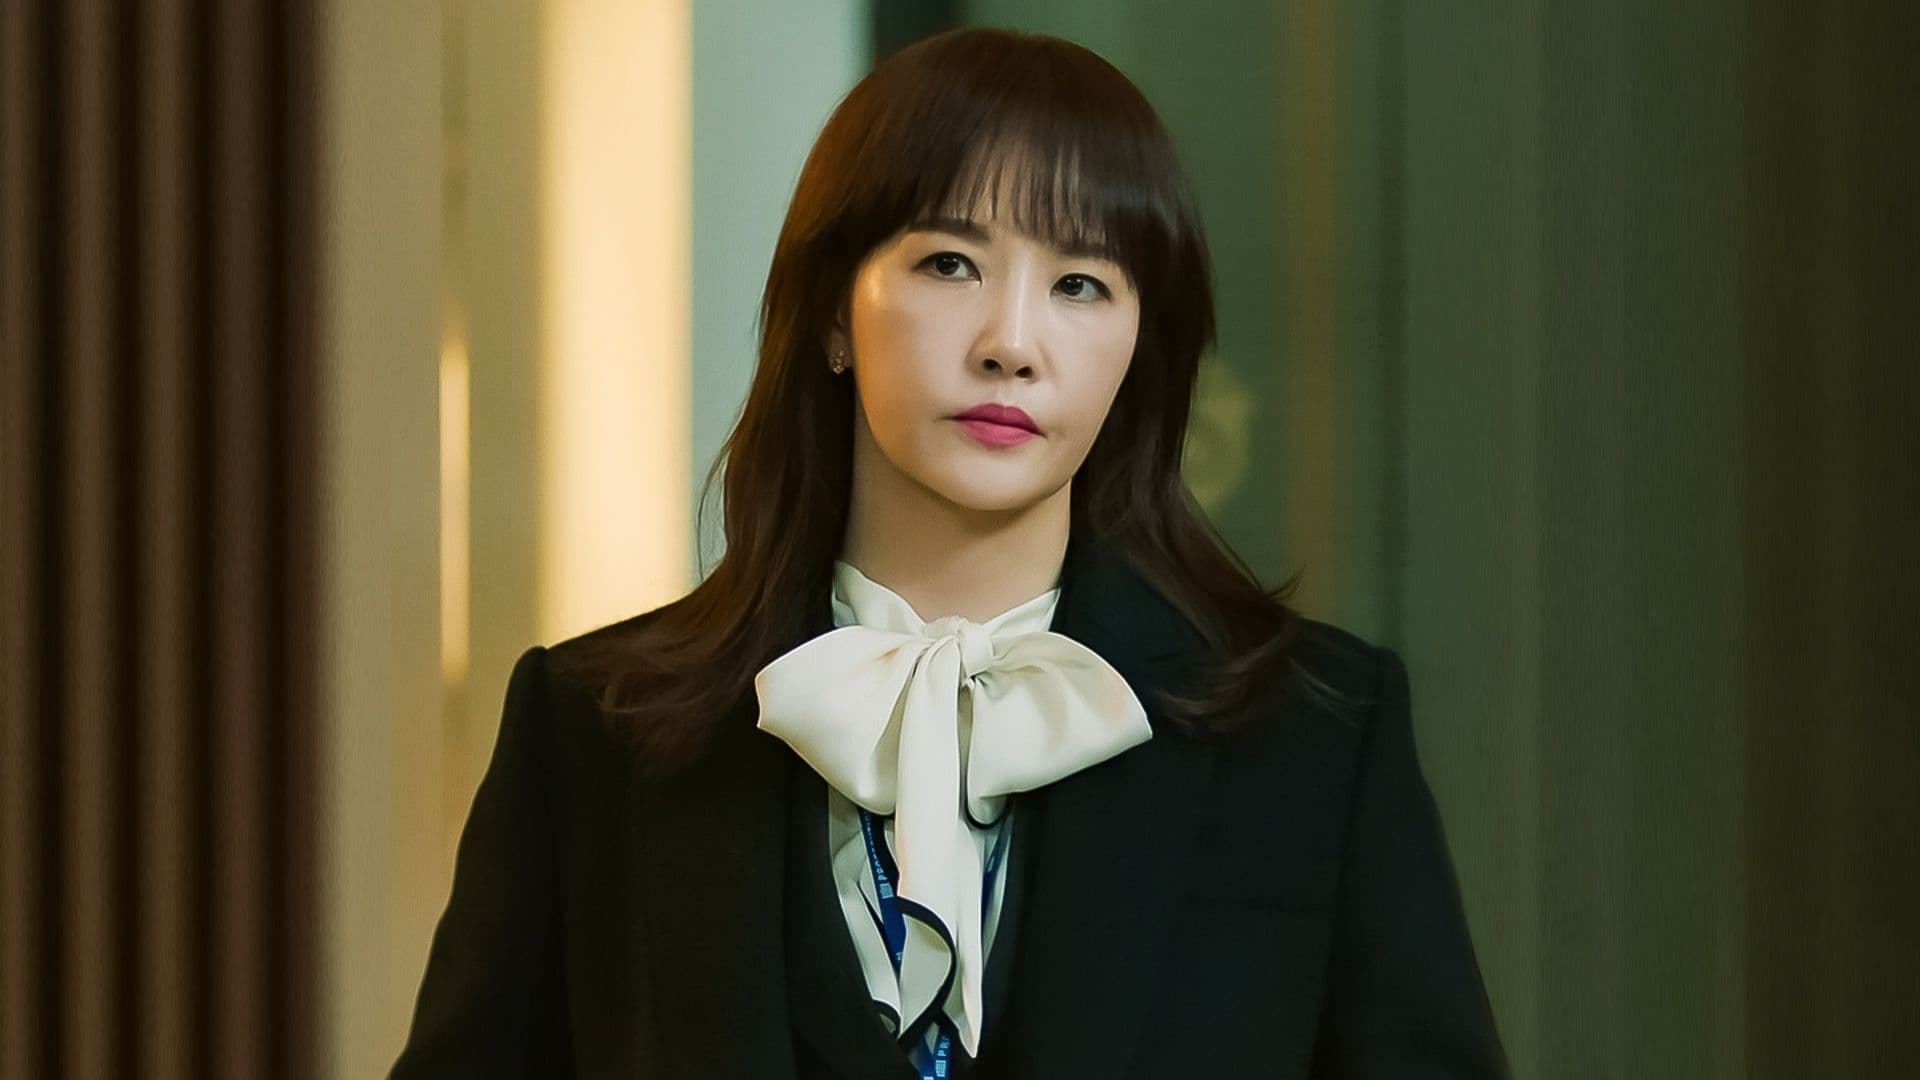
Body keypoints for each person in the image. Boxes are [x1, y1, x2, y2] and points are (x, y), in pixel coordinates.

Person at [391, 25, 1508, 1080]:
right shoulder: (593, 730)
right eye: (949, 265)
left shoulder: (1314, 735)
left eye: (1080, 285)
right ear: (835, 312)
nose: (1011, 344)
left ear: (1138, 348)